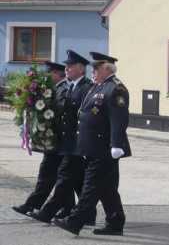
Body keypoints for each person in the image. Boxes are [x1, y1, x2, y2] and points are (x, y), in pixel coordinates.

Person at [52, 52, 131, 236]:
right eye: (93, 68)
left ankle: (75, 221)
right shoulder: (98, 86)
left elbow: (119, 118)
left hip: (105, 147)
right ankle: (115, 221)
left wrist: (117, 144)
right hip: (93, 147)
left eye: (96, 68)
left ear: (107, 69)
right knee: (108, 187)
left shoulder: (116, 88)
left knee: (91, 185)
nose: (93, 71)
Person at [29, 50, 94, 224]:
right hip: (67, 141)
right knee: (78, 180)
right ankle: (88, 215)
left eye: (70, 66)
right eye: (66, 66)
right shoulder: (71, 87)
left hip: (77, 141)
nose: (66, 69)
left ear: (81, 69)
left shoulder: (86, 87)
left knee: (64, 177)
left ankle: (47, 213)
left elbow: (85, 117)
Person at [11, 62, 69, 216]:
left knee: (50, 175)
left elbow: (59, 112)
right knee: (59, 177)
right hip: (53, 141)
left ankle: (32, 206)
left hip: (58, 140)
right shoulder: (53, 89)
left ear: (57, 74)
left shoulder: (64, 90)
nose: (46, 77)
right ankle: (68, 209)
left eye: (49, 73)